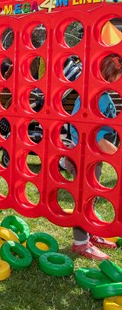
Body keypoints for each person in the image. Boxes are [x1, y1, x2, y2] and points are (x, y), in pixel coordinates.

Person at [66, 54, 122, 260]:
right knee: (84, 198)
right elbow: (94, 136)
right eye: (118, 74)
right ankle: (80, 244)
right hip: (82, 156)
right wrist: (116, 155)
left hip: (92, 156)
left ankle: (92, 233)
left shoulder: (103, 93)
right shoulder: (93, 96)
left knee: (93, 195)